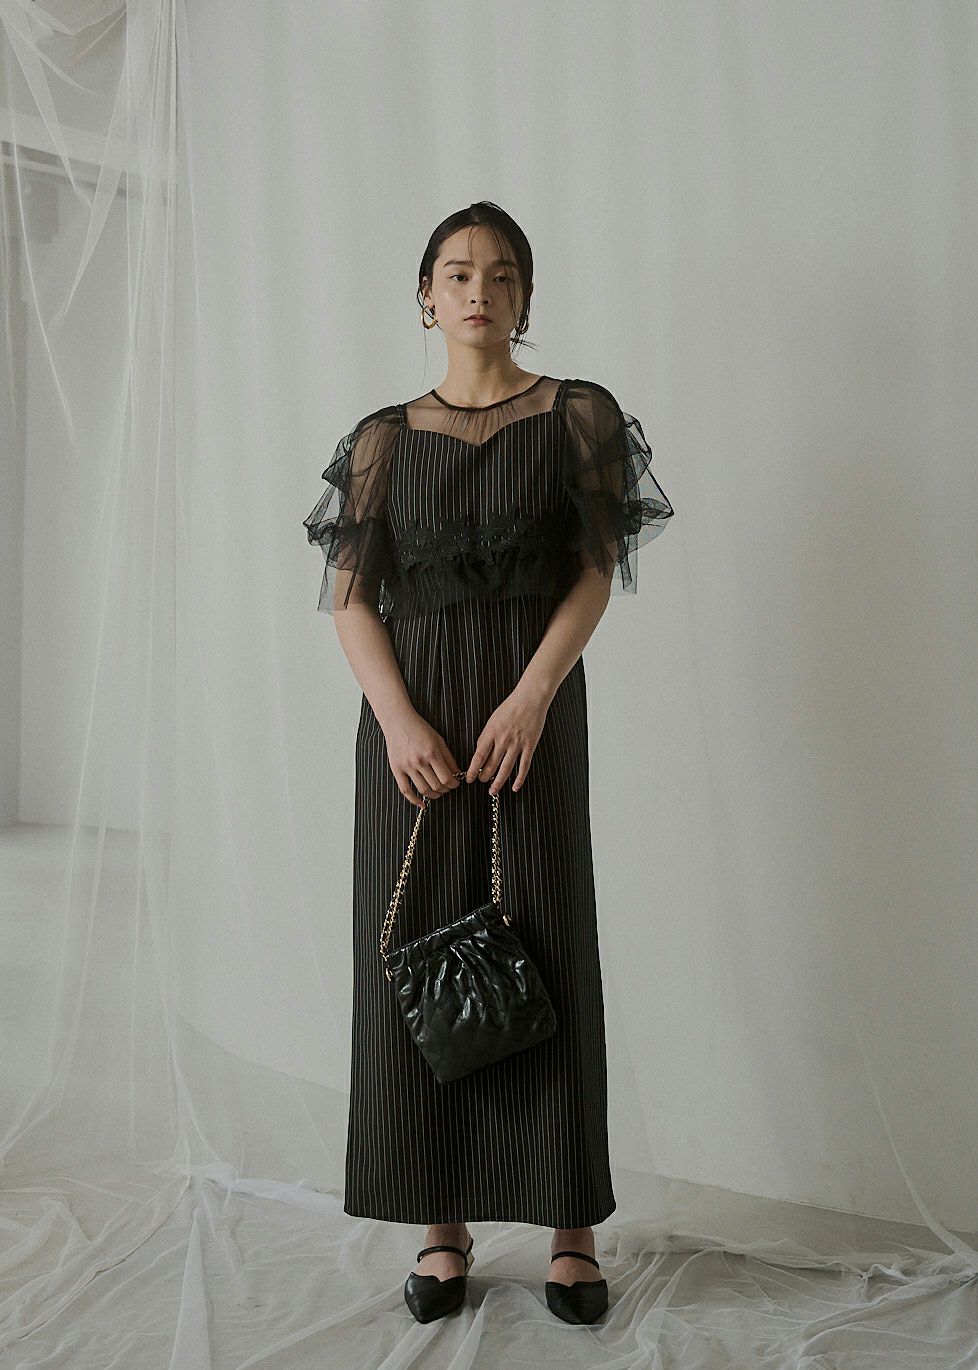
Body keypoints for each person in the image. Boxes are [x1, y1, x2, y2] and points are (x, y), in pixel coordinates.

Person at [302, 201, 674, 1324]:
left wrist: (533, 693)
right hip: (410, 734)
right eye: (458, 273)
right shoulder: (381, 440)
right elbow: (350, 600)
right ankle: (441, 1222)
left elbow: (595, 574)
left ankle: (570, 1231)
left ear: (524, 296)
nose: (479, 290)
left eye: (502, 274)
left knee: (545, 940)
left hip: (530, 721)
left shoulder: (578, 416)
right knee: (418, 950)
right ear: (426, 297)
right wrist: (397, 719)